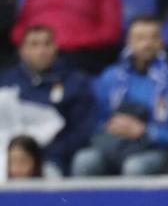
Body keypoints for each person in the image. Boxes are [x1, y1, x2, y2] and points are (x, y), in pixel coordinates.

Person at [72, 15, 168, 176]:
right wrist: (112, 126)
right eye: (140, 38)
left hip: (158, 149)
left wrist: (145, 132)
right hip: (115, 144)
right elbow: (96, 122)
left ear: (162, 42)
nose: (147, 44)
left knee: (135, 167)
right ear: (129, 42)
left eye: (153, 37)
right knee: (84, 160)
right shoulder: (111, 76)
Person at [0, 25, 96, 176]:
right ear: (22, 51)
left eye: (47, 44)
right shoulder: (5, 82)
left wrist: (42, 152)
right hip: (6, 159)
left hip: (52, 159)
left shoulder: (74, 82)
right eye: (34, 44)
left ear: (55, 47)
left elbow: (82, 130)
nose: (41, 51)